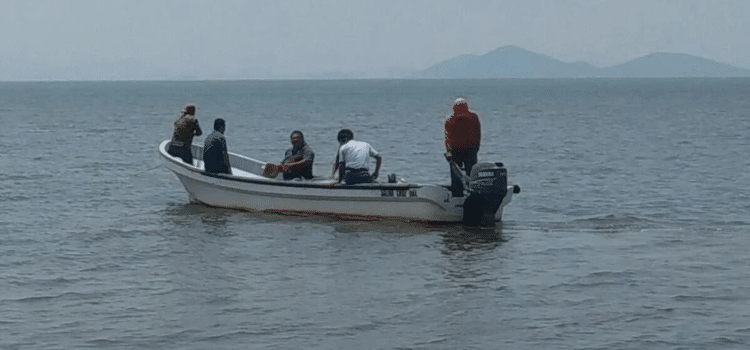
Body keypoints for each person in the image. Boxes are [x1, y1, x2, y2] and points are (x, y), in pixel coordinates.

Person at [444, 97, 481, 197]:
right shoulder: (450, 120)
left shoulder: (473, 118)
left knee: (472, 174)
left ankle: (473, 195)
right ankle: (457, 196)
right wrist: (449, 152)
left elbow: (477, 134)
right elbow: (448, 138)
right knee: (457, 177)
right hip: (456, 151)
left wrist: (475, 148)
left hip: (469, 150)